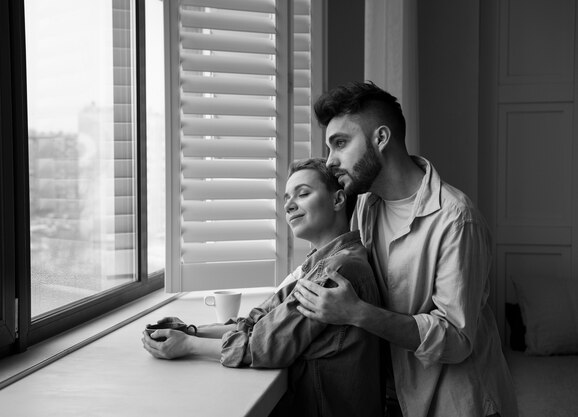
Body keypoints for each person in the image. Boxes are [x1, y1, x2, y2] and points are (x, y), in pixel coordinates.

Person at [292, 81, 518, 417]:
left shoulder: (456, 220)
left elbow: (455, 338)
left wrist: (358, 313)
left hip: (458, 402)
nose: (330, 161)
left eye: (340, 144)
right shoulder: (367, 206)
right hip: (398, 393)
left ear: (381, 139)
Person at [142, 158, 383, 417]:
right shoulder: (321, 263)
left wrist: (188, 345)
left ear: (337, 200)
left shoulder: (338, 270)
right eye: (287, 198)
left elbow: (265, 346)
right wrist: (191, 331)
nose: (289, 206)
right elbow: (260, 320)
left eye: (303, 194)